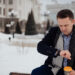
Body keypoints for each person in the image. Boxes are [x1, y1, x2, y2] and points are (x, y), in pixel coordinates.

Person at [31, 9, 75, 75]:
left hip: (71, 71)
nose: (63, 29)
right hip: (53, 68)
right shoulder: (54, 31)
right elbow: (40, 46)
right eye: (60, 25)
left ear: (73, 22)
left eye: (66, 25)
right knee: (35, 73)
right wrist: (58, 52)